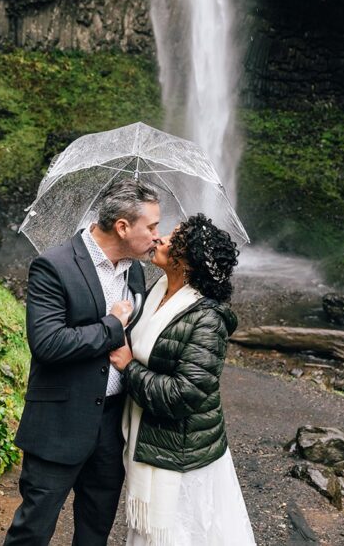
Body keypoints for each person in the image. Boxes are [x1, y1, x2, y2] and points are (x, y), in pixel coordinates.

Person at [5, 179, 161, 546]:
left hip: (111, 424)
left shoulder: (135, 270)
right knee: (32, 530)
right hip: (59, 424)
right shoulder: (54, 265)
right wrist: (110, 326)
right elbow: (47, 343)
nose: (158, 235)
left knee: (95, 532)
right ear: (123, 227)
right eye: (151, 226)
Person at [109, 213, 256, 546]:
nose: (159, 239)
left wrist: (129, 367)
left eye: (172, 240)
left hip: (182, 454)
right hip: (152, 441)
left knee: (181, 534)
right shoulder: (158, 290)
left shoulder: (207, 319)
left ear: (186, 263)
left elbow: (184, 394)